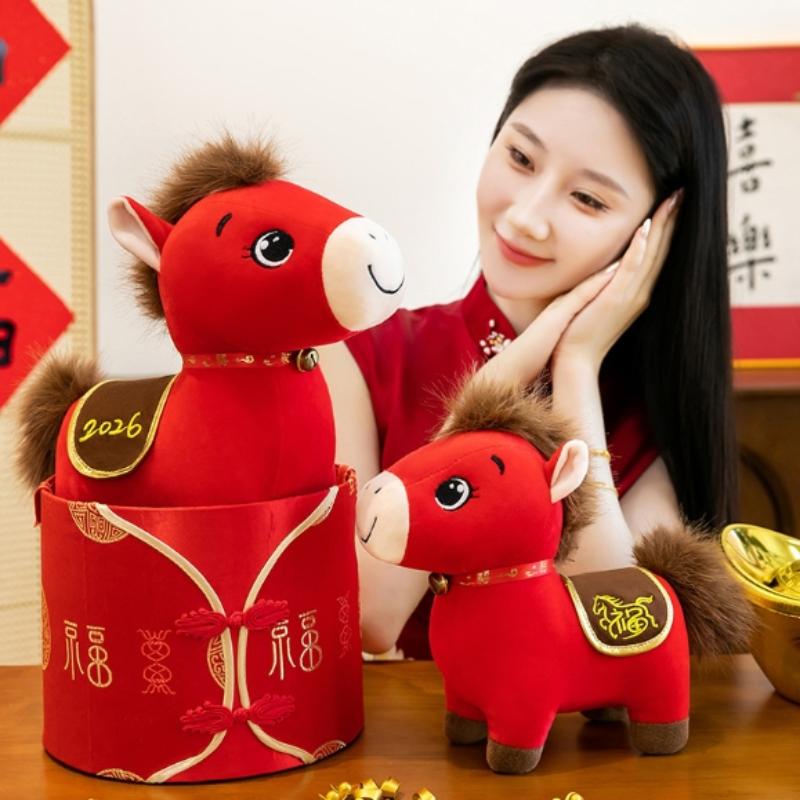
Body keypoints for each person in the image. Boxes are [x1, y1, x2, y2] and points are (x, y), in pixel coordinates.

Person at [320, 24, 736, 658]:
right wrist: (498, 385)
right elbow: (370, 615)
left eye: (587, 199)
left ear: (655, 234)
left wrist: (576, 367)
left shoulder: (641, 413)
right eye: (520, 158)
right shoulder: (356, 351)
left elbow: (624, 636)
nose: (524, 216)